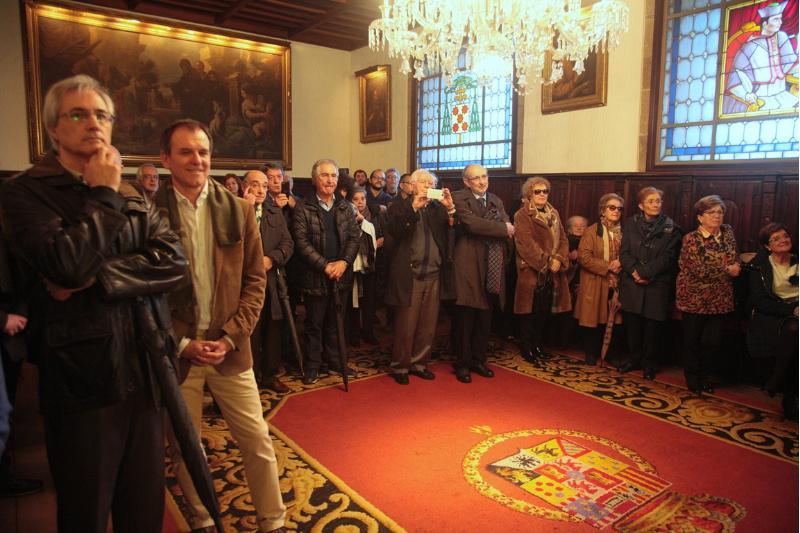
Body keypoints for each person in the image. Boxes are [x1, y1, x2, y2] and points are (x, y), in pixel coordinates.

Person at [0, 74, 188, 532]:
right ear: (53, 129)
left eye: (102, 115)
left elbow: (174, 262)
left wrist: (99, 276)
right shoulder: (25, 192)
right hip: (82, 380)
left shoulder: (131, 192)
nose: (93, 124)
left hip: (144, 370)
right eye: (78, 114)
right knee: (85, 510)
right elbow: (65, 265)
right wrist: (102, 194)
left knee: (142, 510)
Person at [155, 119, 286, 533]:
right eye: (186, 152)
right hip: (180, 353)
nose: (197, 160)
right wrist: (180, 342)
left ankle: (274, 521)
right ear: (165, 159)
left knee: (257, 441)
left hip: (231, 348)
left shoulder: (239, 209)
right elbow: (146, 296)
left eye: (203, 152)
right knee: (186, 447)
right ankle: (204, 520)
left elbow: (255, 281)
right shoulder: (147, 213)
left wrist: (232, 337)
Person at [292, 159, 361, 385]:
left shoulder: (345, 206)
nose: (330, 180)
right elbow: (301, 243)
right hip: (315, 274)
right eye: (325, 175)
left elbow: (354, 237)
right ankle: (312, 366)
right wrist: (324, 265)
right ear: (315, 179)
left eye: (333, 175)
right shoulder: (304, 206)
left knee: (336, 322)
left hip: (341, 273)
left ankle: (335, 361)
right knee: (314, 324)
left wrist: (343, 263)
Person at [385, 170, 455, 384]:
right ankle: (401, 366)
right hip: (410, 274)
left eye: (431, 182)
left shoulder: (436, 208)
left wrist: (450, 208)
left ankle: (419, 363)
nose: (427, 185)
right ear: (411, 185)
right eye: (423, 182)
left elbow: (451, 234)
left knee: (427, 324)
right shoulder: (398, 206)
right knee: (406, 324)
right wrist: (414, 208)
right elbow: (395, 233)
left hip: (433, 273)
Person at [451, 164, 514, 383]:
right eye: (476, 178)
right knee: (466, 317)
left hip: (492, 265)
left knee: (485, 317)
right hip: (468, 264)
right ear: (466, 182)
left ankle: (479, 359)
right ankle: (462, 363)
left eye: (484, 176)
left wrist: (502, 228)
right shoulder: (459, 198)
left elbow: (508, 225)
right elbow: (471, 225)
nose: (481, 181)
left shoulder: (496, 200)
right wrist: (501, 229)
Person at [676, 195, 741, 395]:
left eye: (720, 212)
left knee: (712, 342)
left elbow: (733, 256)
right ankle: (693, 377)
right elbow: (698, 269)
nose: (717, 216)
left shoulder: (728, 232)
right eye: (711, 212)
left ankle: (705, 376)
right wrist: (729, 270)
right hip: (694, 297)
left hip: (720, 298)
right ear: (700, 217)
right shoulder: (691, 239)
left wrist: (736, 264)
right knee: (692, 341)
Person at [616, 187, 682, 380]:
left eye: (658, 201)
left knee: (653, 329)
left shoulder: (672, 228)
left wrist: (646, 273)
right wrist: (635, 271)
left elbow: (669, 258)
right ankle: (634, 359)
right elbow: (624, 253)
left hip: (656, 284)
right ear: (641, 205)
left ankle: (650, 364)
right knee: (633, 326)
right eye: (651, 201)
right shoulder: (630, 223)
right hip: (632, 282)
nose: (656, 204)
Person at [244, 170, 294, 393]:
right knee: (251, 333)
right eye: (255, 185)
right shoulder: (237, 211)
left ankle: (270, 375)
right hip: (245, 285)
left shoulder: (275, 212)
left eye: (264, 186)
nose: (261, 190)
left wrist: (272, 259)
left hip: (272, 281)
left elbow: (288, 244)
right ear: (245, 186)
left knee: (273, 329)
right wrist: (245, 209)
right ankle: (251, 378)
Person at [513, 177, 571, 365]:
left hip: (552, 272)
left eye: (544, 191)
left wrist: (560, 260)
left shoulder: (554, 213)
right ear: (529, 194)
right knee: (529, 311)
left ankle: (538, 345)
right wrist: (547, 262)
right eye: (537, 191)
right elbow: (526, 245)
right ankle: (527, 347)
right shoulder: (522, 215)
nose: (541, 194)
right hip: (532, 271)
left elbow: (563, 239)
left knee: (543, 312)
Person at [746, 223, 798, 420]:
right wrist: (791, 309)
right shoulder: (760, 266)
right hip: (774, 315)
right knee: (794, 330)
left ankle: (777, 380)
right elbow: (760, 302)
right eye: (776, 239)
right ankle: (790, 395)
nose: (783, 240)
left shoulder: (797, 260)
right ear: (768, 246)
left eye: (785, 235)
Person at [574, 194, 625, 365]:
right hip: (595, 281)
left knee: (614, 319)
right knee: (593, 318)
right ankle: (591, 353)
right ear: (602, 210)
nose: (616, 211)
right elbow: (584, 257)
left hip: (617, 282)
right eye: (612, 207)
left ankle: (610, 353)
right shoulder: (591, 231)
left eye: (619, 208)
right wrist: (608, 266)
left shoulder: (624, 232)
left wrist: (622, 264)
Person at [723, 1, 798, 114]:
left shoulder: (782, 39)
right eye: (776, 19)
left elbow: (790, 66)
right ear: (764, 24)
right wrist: (746, 95)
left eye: (780, 18)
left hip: (785, 96)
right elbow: (735, 76)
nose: (780, 22)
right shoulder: (749, 47)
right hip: (761, 101)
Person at [347, 186, 382, 346]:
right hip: (352, 266)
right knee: (353, 302)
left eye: (363, 199)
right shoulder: (346, 216)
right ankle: (353, 333)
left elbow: (381, 237)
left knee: (369, 302)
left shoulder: (373, 217)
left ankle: (368, 331)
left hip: (368, 265)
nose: (360, 202)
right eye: (356, 199)